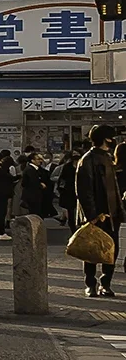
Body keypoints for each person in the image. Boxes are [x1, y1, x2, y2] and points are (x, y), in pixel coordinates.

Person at [74, 121, 122, 297]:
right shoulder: (88, 159)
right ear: (106, 139)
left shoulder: (107, 158)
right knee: (92, 250)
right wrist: (92, 215)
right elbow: (83, 190)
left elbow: (113, 189)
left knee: (111, 250)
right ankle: (90, 283)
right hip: (97, 215)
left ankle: (106, 283)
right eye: (112, 138)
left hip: (112, 213)